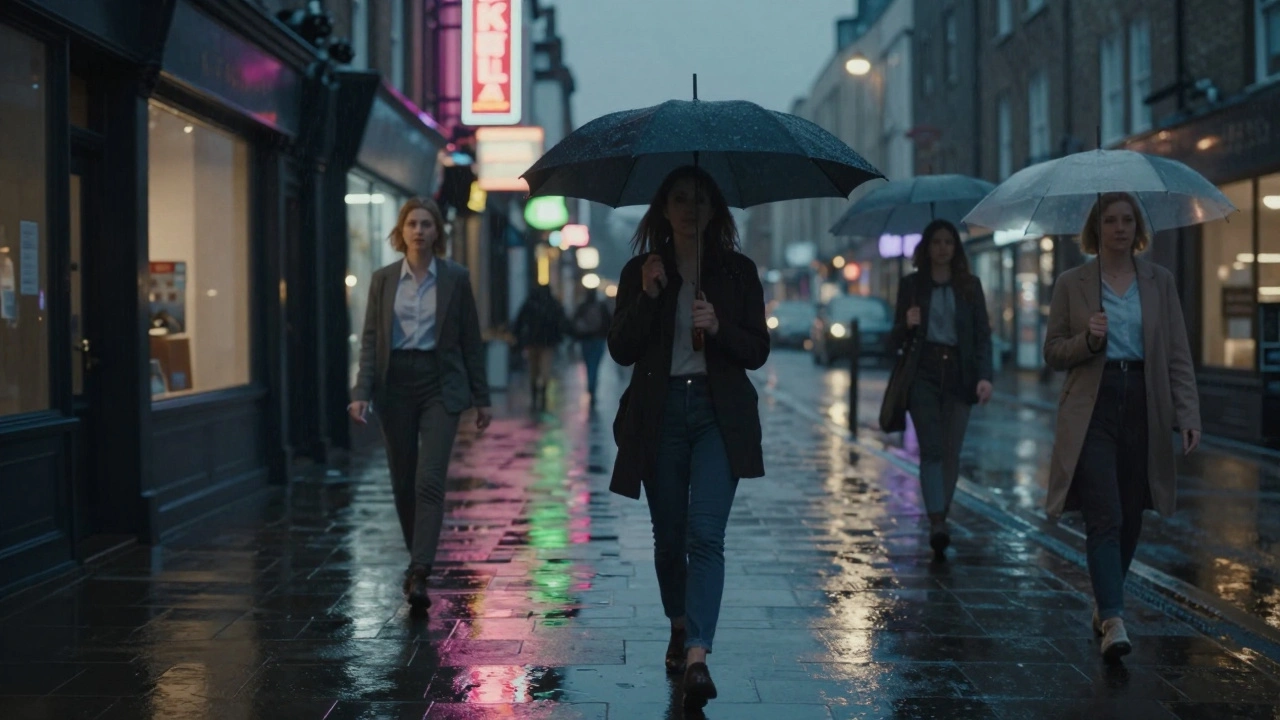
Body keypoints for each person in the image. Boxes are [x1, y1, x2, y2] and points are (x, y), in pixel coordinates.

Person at [608, 165, 769, 711]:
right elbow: (621, 348)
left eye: (700, 199)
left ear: (714, 209)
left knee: (705, 534)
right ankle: (679, 623)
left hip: (718, 415)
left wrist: (720, 328)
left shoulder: (738, 271)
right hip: (660, 415)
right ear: (663, 208)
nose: (689, 208)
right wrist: (649, 295)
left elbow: (758, 350)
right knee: (669, 538)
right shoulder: (642, 270)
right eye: (679, 198)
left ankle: (698, 653)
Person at [1044, 192, 1200, 661]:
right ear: (1096, 228)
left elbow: (1177, 353)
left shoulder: (1159, 281)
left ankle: (1105, 602)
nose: (1119, 228)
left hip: (1144, 403)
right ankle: (1113, 619)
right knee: (1105, 513)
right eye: (1110, 220)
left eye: (1127, 220)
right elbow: (1053, 352)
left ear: (1138, 227)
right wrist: (1089, 340)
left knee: (1132, 513)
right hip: (1093, 405)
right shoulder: (1072, 283)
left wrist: (1187, 413)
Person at [348, 197, 492, 611]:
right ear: (401, 230)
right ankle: (418, 560)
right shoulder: (383, 279)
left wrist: (481, 398)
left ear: (437, 232)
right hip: (394, 385)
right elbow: (371, 340)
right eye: (412, 223)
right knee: (402, 480)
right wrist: (361, 392)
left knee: (429, 478)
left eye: (427, 224)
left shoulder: (455, 278)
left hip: (439, 385)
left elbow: (470, 340)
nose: (419, 231)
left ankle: (420, 569)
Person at [887, 219, 994, 561]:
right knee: (932, 449)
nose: (943, 248)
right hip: (924, 373)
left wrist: (985, 376)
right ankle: (937, 521)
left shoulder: (970, 286)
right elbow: (894, 338)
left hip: (960, 374)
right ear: (927, 247)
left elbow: (982, 335)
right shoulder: (912, 286)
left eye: (948, 242)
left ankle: (940, 515)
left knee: (951, 452)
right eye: (936, 242)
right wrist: (907, 323)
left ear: (956, 248)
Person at [513, 284, 571, 411]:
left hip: (532, 341)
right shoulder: (553, 304)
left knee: (533, 369)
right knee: (545, 369)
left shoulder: (530, 304)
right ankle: (542, 397)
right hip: (547, 342)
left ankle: (535, 397)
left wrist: (518, 338)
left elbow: (519, 321)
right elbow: (562, 322)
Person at [571, 288, 611, 404]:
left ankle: (590, 387)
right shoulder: (601, 307)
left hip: (586, 340)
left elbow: (575, 323)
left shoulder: (582, 307)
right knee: (595, 365)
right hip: (599, 340)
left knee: (589, 364)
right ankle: (593, 388)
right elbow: (609, 322)